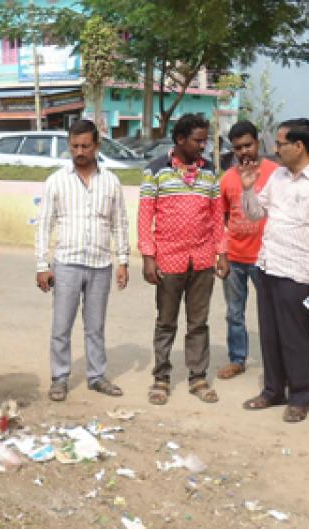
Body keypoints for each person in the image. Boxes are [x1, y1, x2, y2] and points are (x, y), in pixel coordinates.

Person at [239, 118, 309, 423]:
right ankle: (273, 390)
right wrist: (248, 190)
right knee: (270, 336)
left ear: (299, 146)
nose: (275, 149)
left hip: (300, 273)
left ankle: (300, 396)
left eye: (281, 143)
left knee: (295, 337)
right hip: (268, 266)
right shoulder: (278, 177)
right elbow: (256, 213)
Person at [36, 119, 130, 402]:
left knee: (95, 326)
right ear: (69, 145)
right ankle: (60, 378)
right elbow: (44, 225)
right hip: (66, 263)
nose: (80, 151)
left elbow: (119, 224)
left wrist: (123, 261)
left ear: (97, 146)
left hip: (101, 264)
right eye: (75, 146)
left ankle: (96, 376)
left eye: (86, 146)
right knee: (61, 325)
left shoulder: (111, 182)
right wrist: (42, 265)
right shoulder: (56, 181)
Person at [138, 113, 227, 405]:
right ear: (179, 140)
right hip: (168, 260)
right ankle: (161, 378)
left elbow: (216, 218)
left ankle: (198, 377)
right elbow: (145, 217)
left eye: (205, 140)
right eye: (198, 141)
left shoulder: (210, 173)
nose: (203, 146)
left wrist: (221, 253)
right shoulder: (156, 171)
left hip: (201, 260)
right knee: (166, 322)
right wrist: (149, 257)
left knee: (198, 323)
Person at [215, 120, 277, 380]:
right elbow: (220, 220)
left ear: (258, 143)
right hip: (235, 259)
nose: (244, 152)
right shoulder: (227, 178)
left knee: (271, 313)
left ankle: (275, 362)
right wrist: (222, 254)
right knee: (234, 313)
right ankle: (237, 359)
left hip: (267, 259)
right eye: (238, 147)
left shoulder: (276, 174)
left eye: (248, 145)